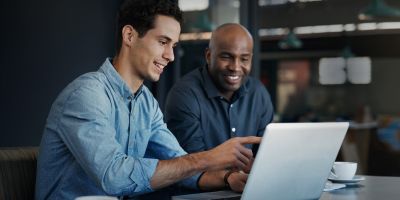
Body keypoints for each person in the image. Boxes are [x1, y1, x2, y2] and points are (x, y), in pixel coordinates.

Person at [35, 1, 261, 199]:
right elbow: (114, 177)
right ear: (129, 36)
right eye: (163, 42)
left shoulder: (146, 104)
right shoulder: (86, 95)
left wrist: (229, 178)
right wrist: (208, 158)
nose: (170, 56)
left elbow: (179, 164)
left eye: (173, 46)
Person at [165, 23, 274, 192]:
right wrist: (229, 177)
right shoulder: (185, 95)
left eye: (244, 59)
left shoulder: (258, 93)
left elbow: (267, 156)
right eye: (226, 57)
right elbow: (189, 166)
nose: (235, 67)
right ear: (209, 56)